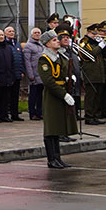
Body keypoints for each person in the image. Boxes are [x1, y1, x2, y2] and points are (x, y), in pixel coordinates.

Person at [38, 30, 78, 168]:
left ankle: (57, 158)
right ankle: (51, 159)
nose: (58, 41)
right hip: (52, 96)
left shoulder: (59, 57)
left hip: (60, 93)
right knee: (51, 128)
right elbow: (48, 81)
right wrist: (64, 95)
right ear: (47, 44)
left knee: (58, 127)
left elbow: (62, 72)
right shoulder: (44, 59)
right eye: (54, 40)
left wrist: (68, 79)